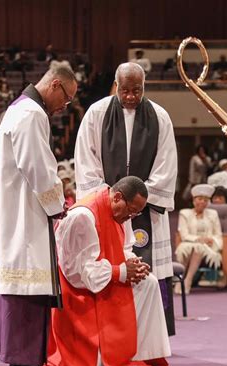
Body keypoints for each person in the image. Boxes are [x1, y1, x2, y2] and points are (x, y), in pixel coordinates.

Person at [0, 65, 78, 366]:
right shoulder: (33, 114)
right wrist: (57, 205)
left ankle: (21, 361)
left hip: (16, 209)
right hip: (25, 213)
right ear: (54, 85)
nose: (66, 105)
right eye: (67, 97)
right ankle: (24, 364)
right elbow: (37, 167)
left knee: (22, 282)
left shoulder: (17, 109)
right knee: (27, 284)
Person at [75, 62, 178, 335]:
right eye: (126, 90)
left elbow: (166, 165)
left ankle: (151, 333)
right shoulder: (96, 114)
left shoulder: (159, 116)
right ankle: (113, 331)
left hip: (146, 209)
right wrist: (111, 201)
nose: (131, 96)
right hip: (110, 209)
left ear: (145, 87)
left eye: (137, 90)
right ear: (116, 86)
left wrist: (139, 200)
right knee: (111, 266)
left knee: (149, 265)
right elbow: (86, 161)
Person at [46, 176, 171, 366]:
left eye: (136, 214)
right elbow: (76, 273)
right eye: (131, 211)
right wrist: (120, 271)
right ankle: (110, 352)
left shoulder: (121, 211)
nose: (131, 217)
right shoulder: (83, 216)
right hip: (78, 293)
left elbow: (124, 247)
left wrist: (133, 263)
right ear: (117, 197)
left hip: (105, 276)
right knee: (94, 365)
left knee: (149, 282)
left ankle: (140, 353)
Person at [175, 184, 222, 294]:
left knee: (198, 249)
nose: (202, 202)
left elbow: (218, 234)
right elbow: (184, 235)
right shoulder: (184, 213)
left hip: (208, 246)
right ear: (193, 200)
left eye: (205, 200)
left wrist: (211, 240)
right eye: (200, 199)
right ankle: (180, 280)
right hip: (188, 242)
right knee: (192, 248)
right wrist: (199, 239)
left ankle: (188, 280)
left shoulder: (213, 214)